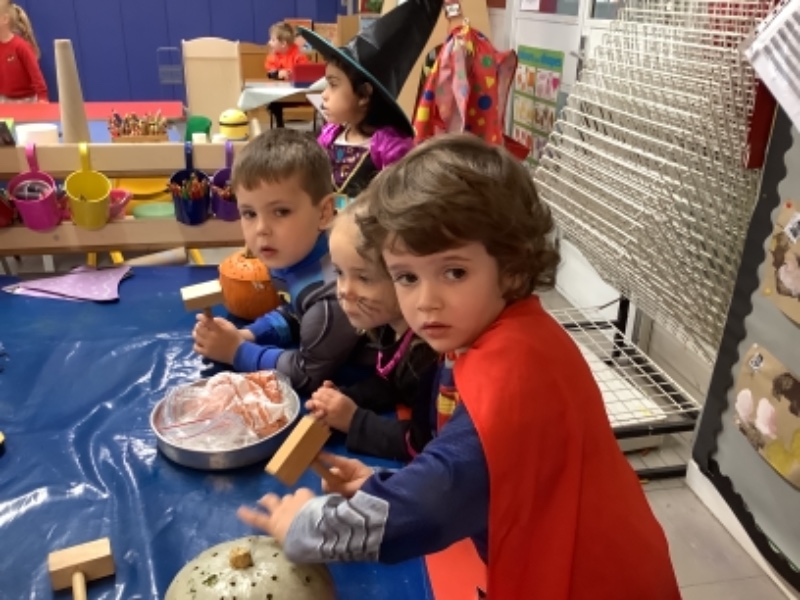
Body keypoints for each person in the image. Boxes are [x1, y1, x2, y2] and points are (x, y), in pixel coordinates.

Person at [237, 134, 681, 599]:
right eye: (406, 276)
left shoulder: (515, 372)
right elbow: (484, 473)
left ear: (512, 267)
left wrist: (308, 525)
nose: (426, 301)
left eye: (454, 272)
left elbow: (434, 504)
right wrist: (391, 485)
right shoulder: (501, 333)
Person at [192, 129, 371, 395]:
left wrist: (236, 351)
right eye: (249, 213)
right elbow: (294, 312)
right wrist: (248, 335)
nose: (261, 229)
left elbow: (306, 374)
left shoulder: (334, 296)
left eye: (281, 211)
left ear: (324, 212)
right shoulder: (295, 253)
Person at [306, 197, 439, 460]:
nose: (344, 291)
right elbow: (389, 381)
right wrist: (346, 398)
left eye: (364, 278)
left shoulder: (426, 358)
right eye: (339, 273)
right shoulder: (388, 323)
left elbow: (423, 444)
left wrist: (353, 420)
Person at [298, 0, 441, 201]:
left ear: (364, 94)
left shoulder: (390, 148)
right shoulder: (329, 137)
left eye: (333, 84)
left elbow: (400, 203)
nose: (324, 94)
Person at [264, 21, 309, 129]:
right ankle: (280, 125)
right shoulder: (273, 56)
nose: (269, 42)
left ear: (283, 43)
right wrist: (278, 74)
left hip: (297, 93)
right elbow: (269, 73)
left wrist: (292, 74)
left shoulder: (299, 55)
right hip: (280, 94)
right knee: (271, 102)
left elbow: (305, 71)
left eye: (273, 40)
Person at [0, 1, 46, 103]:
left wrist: (42, 98)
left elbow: (36, 75)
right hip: (3, 100)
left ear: (4, 19)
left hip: (27, 100)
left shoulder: (21, 47)